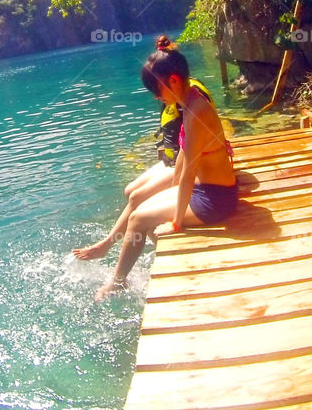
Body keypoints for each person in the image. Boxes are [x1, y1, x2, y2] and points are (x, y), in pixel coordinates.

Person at [74, 36, 239, 301]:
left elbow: (188, 172)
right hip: (205, 190)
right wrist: (170, 197)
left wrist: (175, 221)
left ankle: (117, 282)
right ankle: (157, 264)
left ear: (173, 81)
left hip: (215, 198)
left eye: (157, 89)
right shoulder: (190, 100)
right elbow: (184, 158)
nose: (155, 96)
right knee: (141, 208)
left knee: (139, 219)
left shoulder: (196, 111)